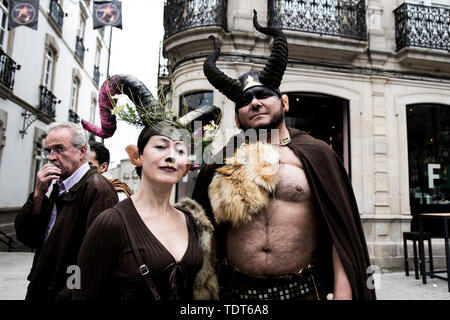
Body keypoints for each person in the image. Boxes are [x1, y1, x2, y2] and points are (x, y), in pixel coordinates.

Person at [192, 10, 376, 300]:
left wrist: (344, 294)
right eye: (244, 100)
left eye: (263, 94)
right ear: (237, 117)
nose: (254, 103)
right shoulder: (223, 159)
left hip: (303, 291)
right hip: (236, 294)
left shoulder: (316, 154)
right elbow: (201, 229)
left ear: (284, 102)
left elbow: (339, 232)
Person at [74, 74, 220, 300]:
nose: (171, 156)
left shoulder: (192, 221)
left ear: (187, 164)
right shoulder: (110, 223)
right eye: (161, 146)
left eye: (180, 150)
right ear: (136, 156)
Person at [15, 122, 119, 301]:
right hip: (43, 287)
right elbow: (28, 237)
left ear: (82, 152)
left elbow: (95, 261)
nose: (51, 157)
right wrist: (39, 195)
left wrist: (67, 294)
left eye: (59, 149)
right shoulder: (60, 185)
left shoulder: (98, 189)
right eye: (49, 151)